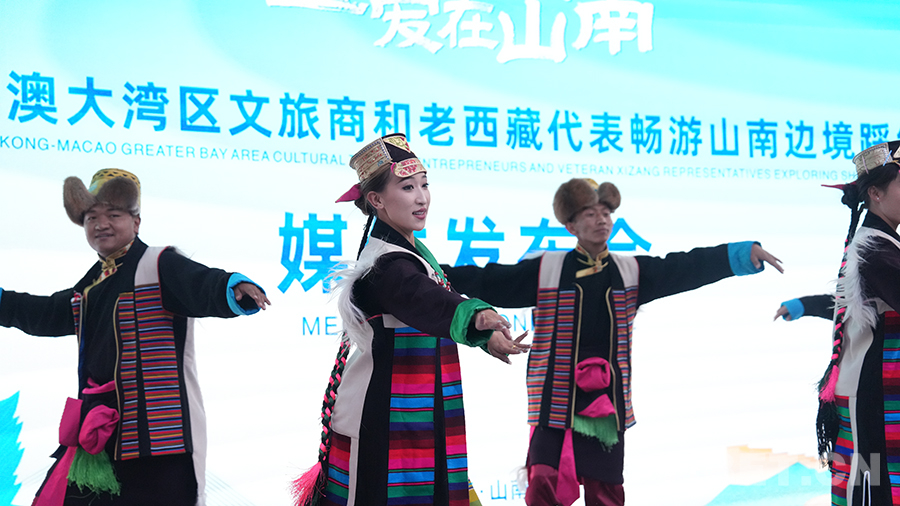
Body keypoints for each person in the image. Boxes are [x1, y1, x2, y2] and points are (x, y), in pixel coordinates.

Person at [441, 178, 784, 506]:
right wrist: (430, 272)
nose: (601, 220)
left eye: (606, 213)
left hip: (604, 399)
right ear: (571, 226)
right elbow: (489, 280)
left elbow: (684, 267)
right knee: (543, 480)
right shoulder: (548, 269)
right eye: (590, 214)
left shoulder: (629, 270)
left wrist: (741, 254)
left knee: (605, 490)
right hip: (554, 394)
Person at [0, 169, 270, 506]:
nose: (101, 224)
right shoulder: (91, 285)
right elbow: (47, 313)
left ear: (136, 222)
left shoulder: (158, 264)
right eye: (92, 218)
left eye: (113, 215)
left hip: (155, 437)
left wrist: (233, 287)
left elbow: (200, 283)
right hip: (99, 437)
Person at [292, 134, 526, 506]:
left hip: (413, 412)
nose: (422, 198)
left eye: (424, 184)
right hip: (385, 419)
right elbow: (424, 299)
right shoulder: (387, 265)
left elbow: (437, 296)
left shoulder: (410, 253)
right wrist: (476, 315)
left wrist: (485, 335)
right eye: (407, 187)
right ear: (376, 200)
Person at [781, 141, 900, 506]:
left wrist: (804, 305)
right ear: (876, 193)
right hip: (874, 394)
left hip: (873, 389)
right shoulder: (874, 248)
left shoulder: (878, 242)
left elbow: (848, 304)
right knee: (874, 489)